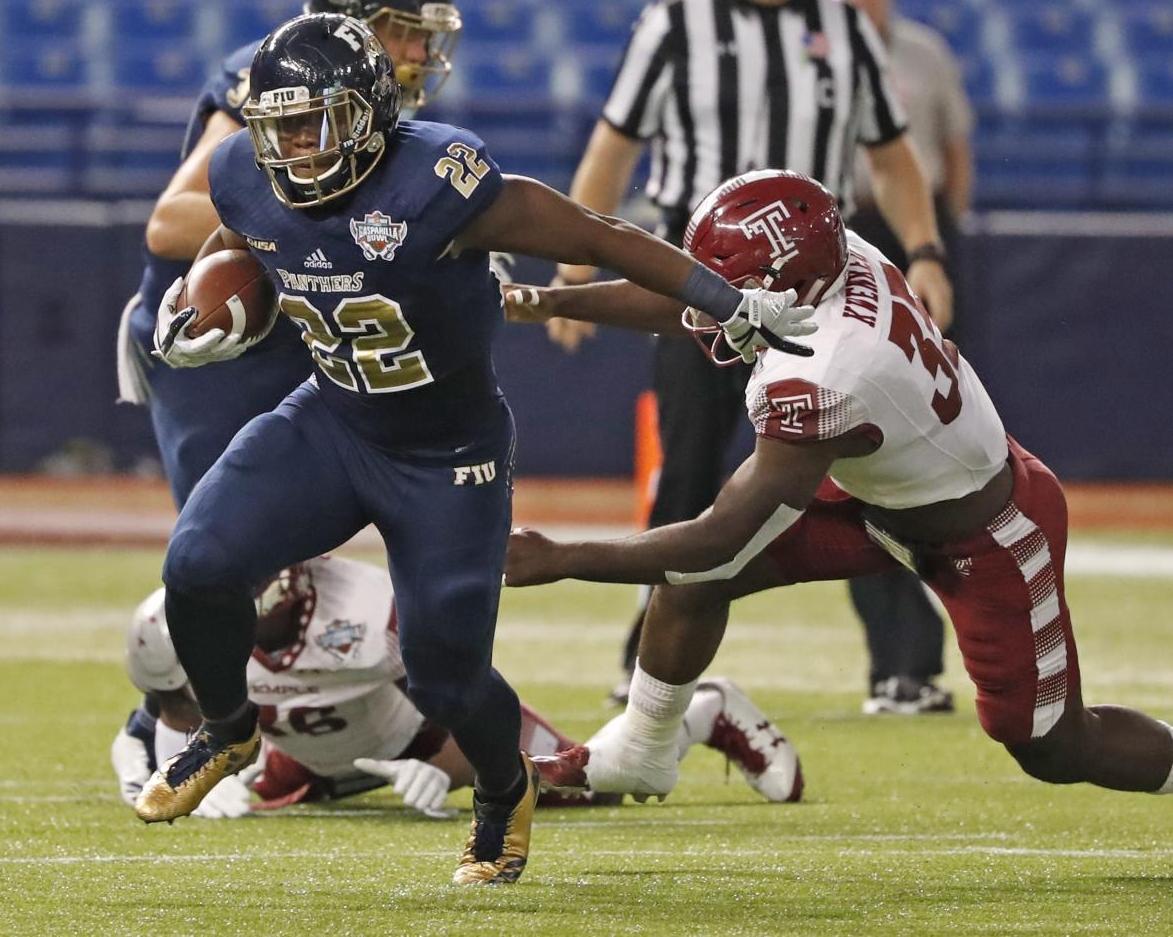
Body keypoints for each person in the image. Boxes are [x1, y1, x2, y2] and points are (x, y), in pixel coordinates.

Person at [132, 13, 814, 886]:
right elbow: (244, 239)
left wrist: (730, 302)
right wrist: (211, 304)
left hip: (446, 454)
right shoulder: (240, 169)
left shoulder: (438, 181)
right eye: (277, 128)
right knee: (196, 562)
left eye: (312, 123)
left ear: (369, 111)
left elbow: (599, 235)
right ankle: (228, 730)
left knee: (446, 676)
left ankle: (501, 792)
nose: (293, 148)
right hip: (334, 418)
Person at [502, 169, 1173, 805]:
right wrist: (542, 301)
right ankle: (642, 747)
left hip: (983, 532)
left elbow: (718, 538)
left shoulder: (825, 372)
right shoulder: (833, 255)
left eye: (726, 281)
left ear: (784, 284)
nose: (709, 291)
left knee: (1050, 746)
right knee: (699, 580)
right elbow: (694, 297)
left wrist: (561, 558)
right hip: (880, 492)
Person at [541, 0, 957, 710]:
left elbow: (890, 155)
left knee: (860, 463)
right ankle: (652, 661)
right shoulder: (675, 21)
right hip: (695, 281)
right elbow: (614, 146)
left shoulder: (844, 24)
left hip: (817, 285)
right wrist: (575, 272)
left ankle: (904, 666)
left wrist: (924, 251)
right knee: (689, 473)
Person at [117, 0, 463, 509]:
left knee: (289, 551)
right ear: (351, 18)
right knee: (235, 558)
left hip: (299, 333)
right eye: (405, 30)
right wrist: (312, 226)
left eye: (426, 35)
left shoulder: (373, 91)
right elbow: (171, 221)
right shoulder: (282, 77)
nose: (420, 53)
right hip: (219, 334)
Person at [111, 555, 803, 819]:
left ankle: (701, 712)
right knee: (247, 806)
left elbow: (457, 688)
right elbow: (148, 727)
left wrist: (440, 765)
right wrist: (157, 777)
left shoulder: (364, 609)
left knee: (584, 786)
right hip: (310, 756)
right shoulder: (184, 628)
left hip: (418, 729)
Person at [828, 0, 976, 714]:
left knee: (915, 444)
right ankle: (903, 660)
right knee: (847, 454)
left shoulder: (923, 52)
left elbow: (948, 152)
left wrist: (936, 241)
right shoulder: (806, 42)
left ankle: (914, 661)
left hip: (911, 238)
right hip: (830, 237)